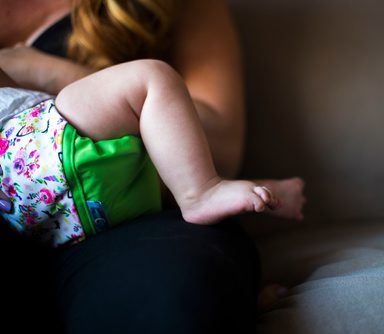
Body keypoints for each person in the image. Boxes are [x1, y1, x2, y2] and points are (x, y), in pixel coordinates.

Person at [0, 0, 304, 332]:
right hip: (20, 210)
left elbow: (223, 147)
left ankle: (205, 196)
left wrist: (43, 70)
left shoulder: (176, 7)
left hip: (133, 218)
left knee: (169, 300)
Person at [0, 61, 304, 247]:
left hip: (44, 225)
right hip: (27, 144)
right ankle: (202, 192)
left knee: (157, 158)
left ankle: (256, 195)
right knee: (149, 79)